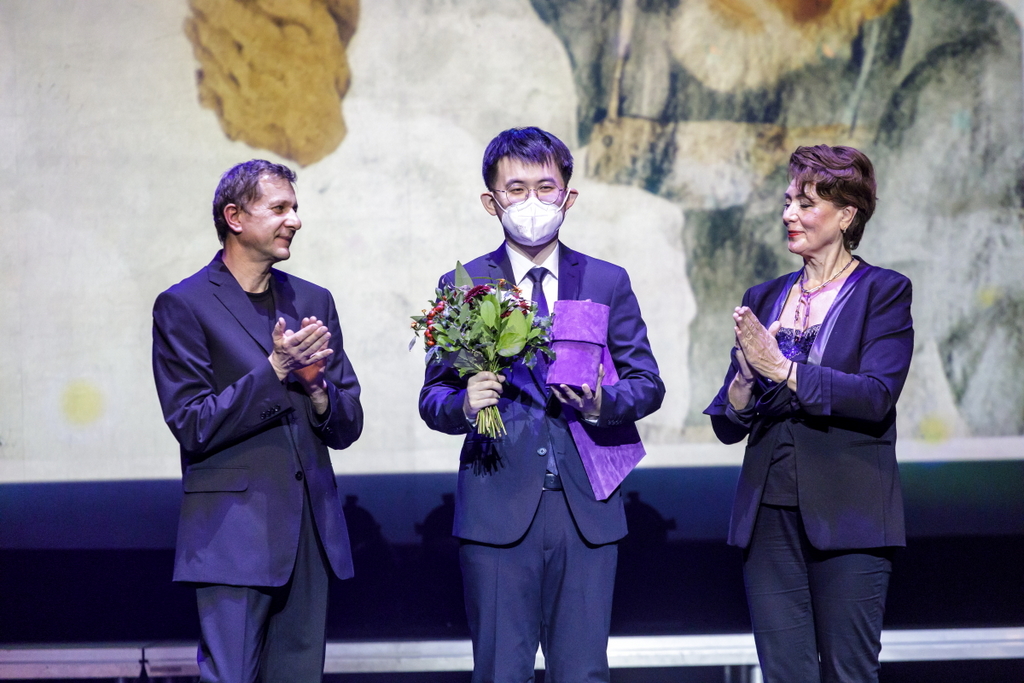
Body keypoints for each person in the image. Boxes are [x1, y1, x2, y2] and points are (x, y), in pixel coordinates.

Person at [419, 127, 665, 683]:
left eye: (545, 188)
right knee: (500, 672)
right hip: (497, 509)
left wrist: (601, 402)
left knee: (582, 673)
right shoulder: (465, 284)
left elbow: (648, 384)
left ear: (567, 197)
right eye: (516, 189)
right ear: (492, 202)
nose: (532, 201)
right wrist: (464, 405)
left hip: (586, 511)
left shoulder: (606, 280)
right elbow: (433, 397)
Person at [705, 145, 914, 682]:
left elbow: (875, 395)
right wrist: (746, 377)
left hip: (850, 514)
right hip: (768, 515)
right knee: (784, 673)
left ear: (847, 215)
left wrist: (782, 369)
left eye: (805, 203)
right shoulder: (764, 296)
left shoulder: (883, 292)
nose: (788, 215)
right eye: (787, 202)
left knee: (848, 672)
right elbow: (727, 423)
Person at [152, 159, 363, 683]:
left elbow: (348, 423)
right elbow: (193, 422)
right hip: (232, 535)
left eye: (295, 208)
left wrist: (318, 389)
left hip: (310, 533)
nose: (295, 220)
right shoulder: (184, 305)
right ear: (235, 217)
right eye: (280, 208)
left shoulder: (312, 300)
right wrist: (276, 370)